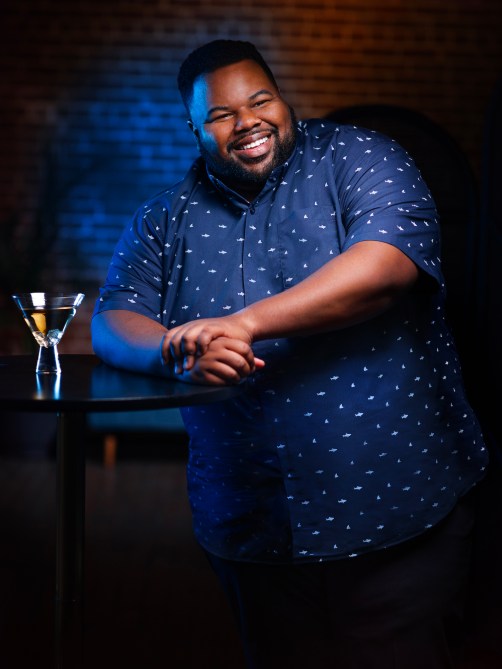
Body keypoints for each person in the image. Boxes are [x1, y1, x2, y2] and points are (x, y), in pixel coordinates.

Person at [92, 39, 488, 668]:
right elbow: (112, 319)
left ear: (281, 98)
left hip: (396, 513)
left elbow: (386, 266)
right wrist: (175, 348)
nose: (247, 122)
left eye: (260, 101)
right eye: (221, 114)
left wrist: (240, 325)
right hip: (250, 528)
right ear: (193, 128)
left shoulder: (362, 157)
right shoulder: (161, 219)